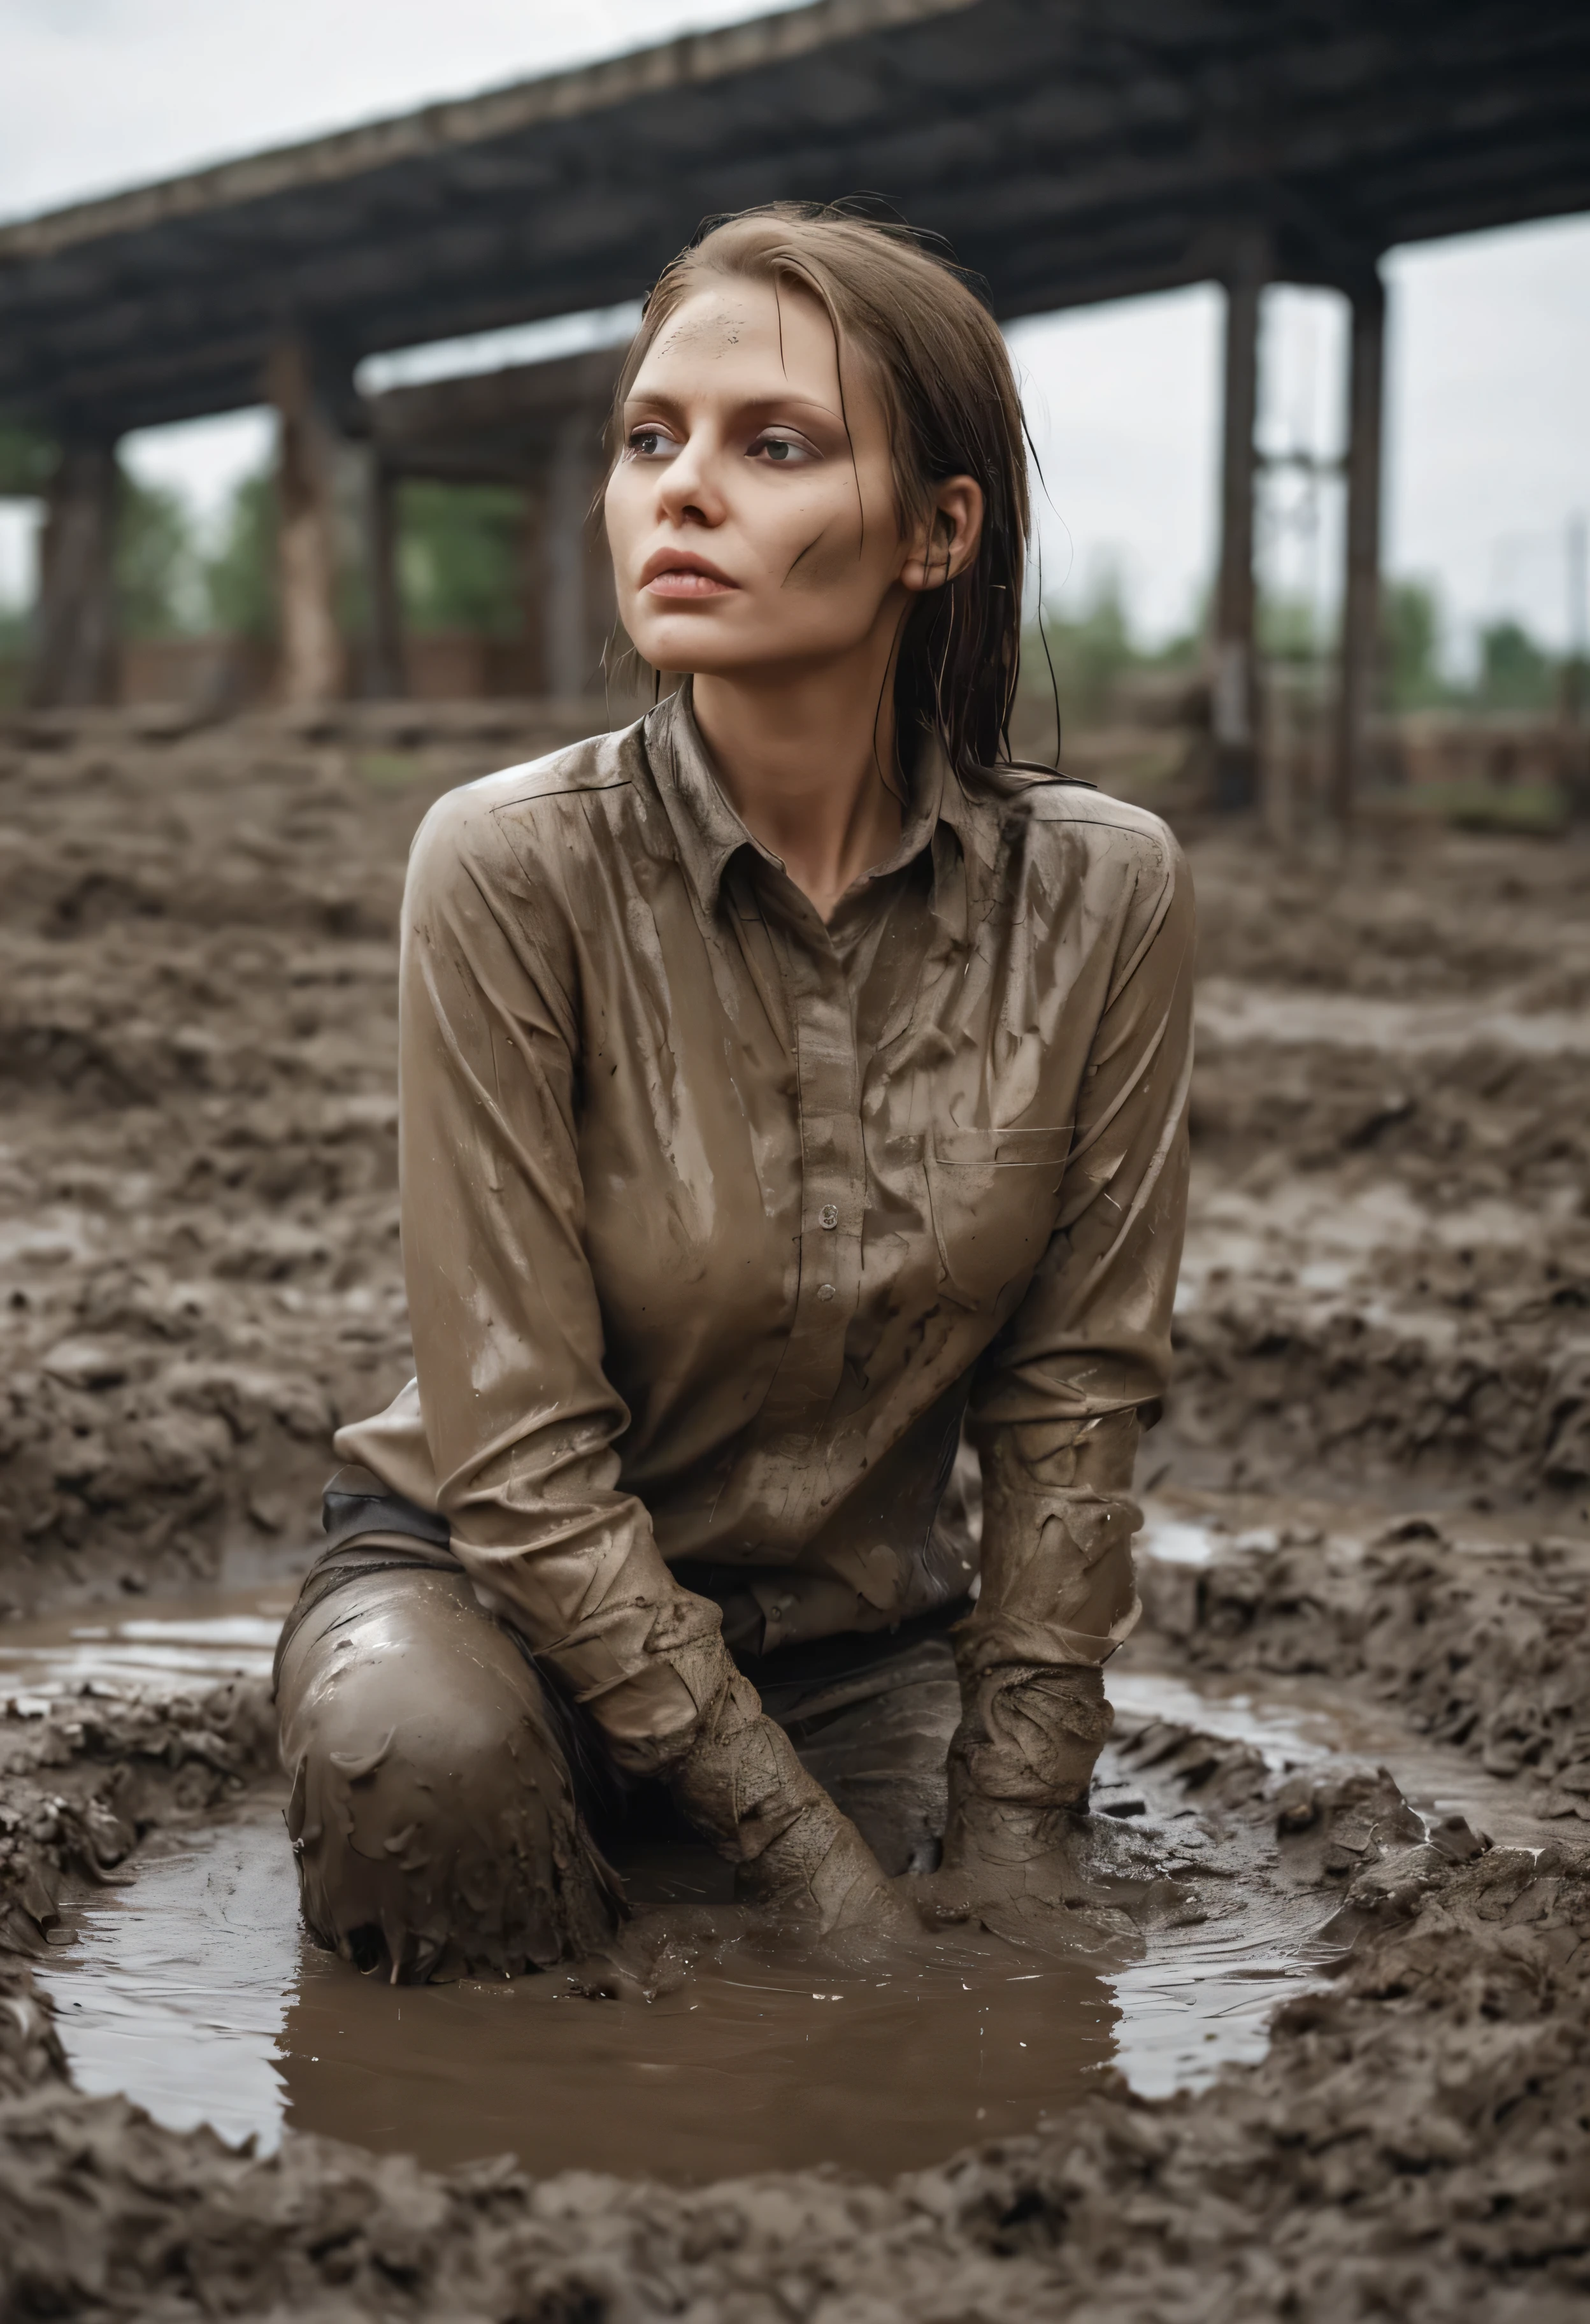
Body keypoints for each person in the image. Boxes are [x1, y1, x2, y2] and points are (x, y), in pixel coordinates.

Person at [274, 204, 1194, 1984]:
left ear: (940, 532)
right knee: (431, 1774)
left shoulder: (1105, 894)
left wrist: (1009, 1861)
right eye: (648, 440)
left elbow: (1074, 1405)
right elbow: (525, 1465)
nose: (678, 491)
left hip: (853, 1647)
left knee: (1002, 1957)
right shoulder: (504, 865)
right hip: (483, 1598)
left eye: (773, 447)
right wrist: (820, 1884)